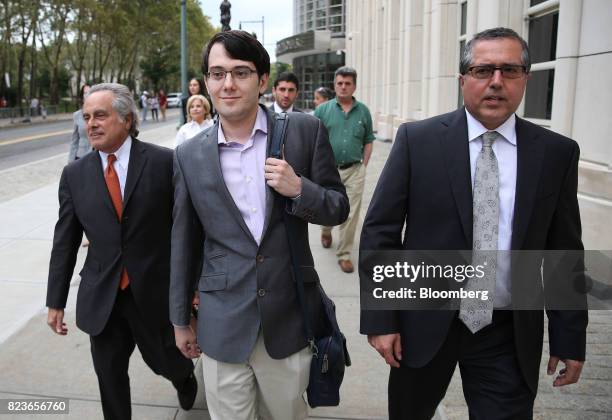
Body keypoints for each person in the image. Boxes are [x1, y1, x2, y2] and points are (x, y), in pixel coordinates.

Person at [360, 27, 587, 420]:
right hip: (423, 323)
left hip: (507, 332)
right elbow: (381, 233)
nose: (496, 82)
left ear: (526, 80)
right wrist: (381, 318)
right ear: (463, 79)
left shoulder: (556, 154)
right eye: (484, 71)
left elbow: (563, 250)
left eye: (510, 70)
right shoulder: (418, 141)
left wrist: (570, 337)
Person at [170, 30, 349, 420]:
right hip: (222, 323)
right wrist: (180, 318)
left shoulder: (304, 132)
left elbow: (338, 208)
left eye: (241, 72)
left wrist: (299, 189)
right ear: (206, 81)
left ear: (263, 80)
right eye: (217, 74)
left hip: (287, 321)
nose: (228, 84)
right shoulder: (188, 156)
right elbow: (183, 242)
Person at [46, 83, 197, 420]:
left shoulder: (164, 163)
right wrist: (55, 300)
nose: (91, 124)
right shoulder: (74, 175)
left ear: (127, 119)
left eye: (101, 115)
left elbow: (187, 232)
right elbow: (65, 240)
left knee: (166, 361)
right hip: (103, 296)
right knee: (110, 376)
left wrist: (193, 290)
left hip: (154, 293)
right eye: (87, 117)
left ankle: (183, 377)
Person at [315, 66, 375, 273]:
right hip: (328, 170)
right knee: (327, 208)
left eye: (347, 83)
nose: (343, 87)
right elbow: (313, 139)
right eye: (339, 83)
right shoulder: (323, 110)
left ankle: (344, 253)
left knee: (350, 214)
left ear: (354, 86)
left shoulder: (364, 111)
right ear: (334, 85)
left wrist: (363, 165)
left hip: (354, 170)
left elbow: (369, 140)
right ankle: (326, 229)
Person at [68, 84, 93, 162]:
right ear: (82, 97)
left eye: (90, 92)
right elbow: (74, 141)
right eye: (85, 93)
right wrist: (70, 162)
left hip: (97, 158)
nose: (88, 95)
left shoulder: (102, 114)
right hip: (81, 157)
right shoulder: (77, 115)